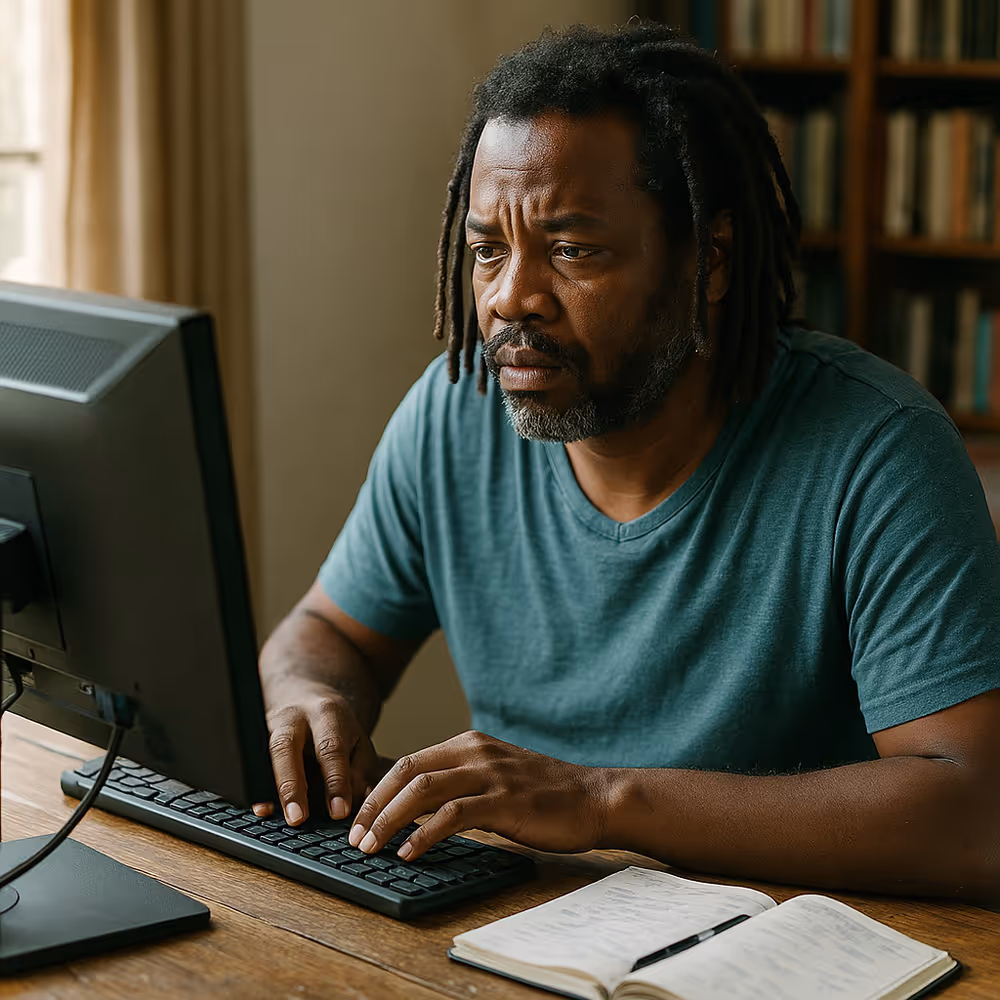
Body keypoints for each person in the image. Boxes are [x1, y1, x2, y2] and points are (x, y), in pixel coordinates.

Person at [257, 23, 1000, 899]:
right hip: (519, 929)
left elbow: (976, 814)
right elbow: (330, 633)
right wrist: (311, 697)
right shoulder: (453, 413)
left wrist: (602, 801)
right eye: (488, 248)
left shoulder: (877, 449)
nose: (508, 298)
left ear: (709, 263)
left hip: (791, 952)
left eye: (574, 250)